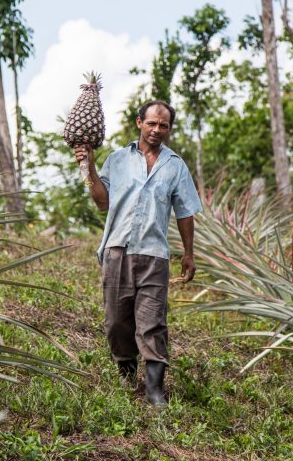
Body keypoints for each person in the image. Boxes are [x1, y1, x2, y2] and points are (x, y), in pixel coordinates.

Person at [74, 100, 202, 407]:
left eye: (163, 125)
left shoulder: (175, 166)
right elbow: (102, 201)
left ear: (169, 129)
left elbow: (185, 212)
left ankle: (154, 390)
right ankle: (127, 372)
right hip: (117, 249)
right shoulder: (117, 159)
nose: (157, 130)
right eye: (152, 123)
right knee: (117, 321)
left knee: (152, 322)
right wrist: (87, 166)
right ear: (139, 123)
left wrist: (188, 253)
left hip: (154, 255)